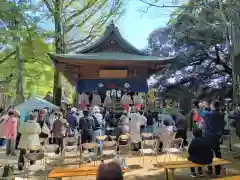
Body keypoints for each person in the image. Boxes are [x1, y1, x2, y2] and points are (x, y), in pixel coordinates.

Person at [202, 100, 225, 176]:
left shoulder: (208, 114)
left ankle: (210, 170)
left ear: (213, 106)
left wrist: (204, 108)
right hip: (217, 136)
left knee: (209, 154)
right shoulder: (221, 114)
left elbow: (204, 124)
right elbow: (222, 126)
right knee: (218, 154)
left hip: (209, 136)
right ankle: (218, 171)